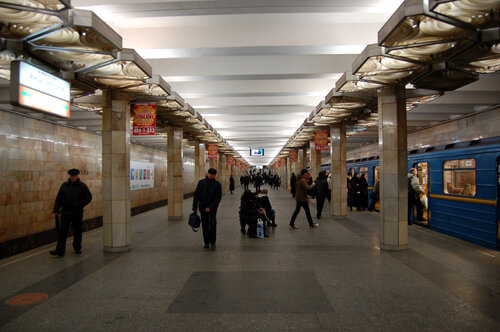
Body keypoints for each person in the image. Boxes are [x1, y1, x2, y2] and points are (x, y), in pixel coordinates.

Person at [50, 168, 92, 257]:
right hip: (65, 212)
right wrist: (56, 210)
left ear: (77, 176)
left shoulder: (82, 186)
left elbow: (89, 197)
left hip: (77, 212)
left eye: (74, 176)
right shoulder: (64, 186)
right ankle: (60, 250)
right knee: (62, 231)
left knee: (77, 230)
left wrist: (80, 204)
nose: (73, 177)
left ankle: (77, 247)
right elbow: (59, 198)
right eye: (72, 176)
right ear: (70, 176)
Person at [192, 168, 222, 249]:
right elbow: (196, 195)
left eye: (213, 174)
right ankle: (206, 242)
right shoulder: (201, 183)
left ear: (215, 175)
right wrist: (194, 207)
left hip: (212, 209)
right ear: (207, 173)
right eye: (210, 174)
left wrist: (211, 207)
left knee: (212, 224)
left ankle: (213, 242)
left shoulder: (217, 184)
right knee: (205, 225)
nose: (211, 175)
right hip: (202, 208)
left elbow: (218, 198)